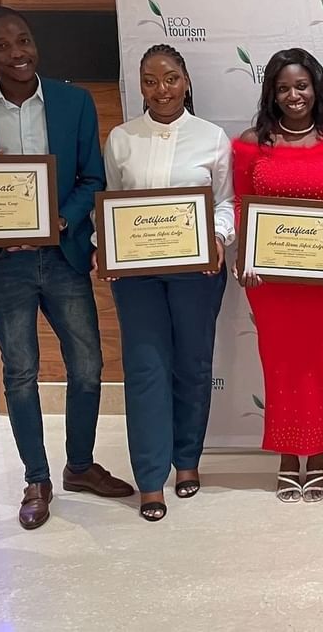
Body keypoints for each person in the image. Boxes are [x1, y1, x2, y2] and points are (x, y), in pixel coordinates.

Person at [0, 6, 132, 530]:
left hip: (63, 255)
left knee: (88, 366)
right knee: (21, 373)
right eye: (2, 46)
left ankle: (80, 466)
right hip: (4, 264)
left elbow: (92, 179)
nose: (17, 53)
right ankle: (36, 479)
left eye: (23, 40)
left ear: (34, 42)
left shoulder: (74, 102)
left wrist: (60, 221)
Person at [98, 44, 232, 521]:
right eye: (151, 81)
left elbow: (225, 203)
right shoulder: (121, 138)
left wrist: (218, 236)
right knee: (145, 369)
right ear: (140, 86)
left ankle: (187, 460)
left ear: (186, 81)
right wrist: (104, 245)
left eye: (171, 78)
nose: (162, 89)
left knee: (193, 365)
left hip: (197, 271)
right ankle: (151, 478)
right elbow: (110, 200)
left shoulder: (212, 138)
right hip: (136, 275)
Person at [232, 48, 323, 503]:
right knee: (280, 366)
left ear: (315, 88)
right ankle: (287, 456)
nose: (293, 95)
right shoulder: (251, 142)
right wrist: (245, 256)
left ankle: (317, 454)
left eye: (301, 86)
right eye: (283, 88)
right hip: (270, 282)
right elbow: (241, 203)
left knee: (319, 366)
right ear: (271, 93)